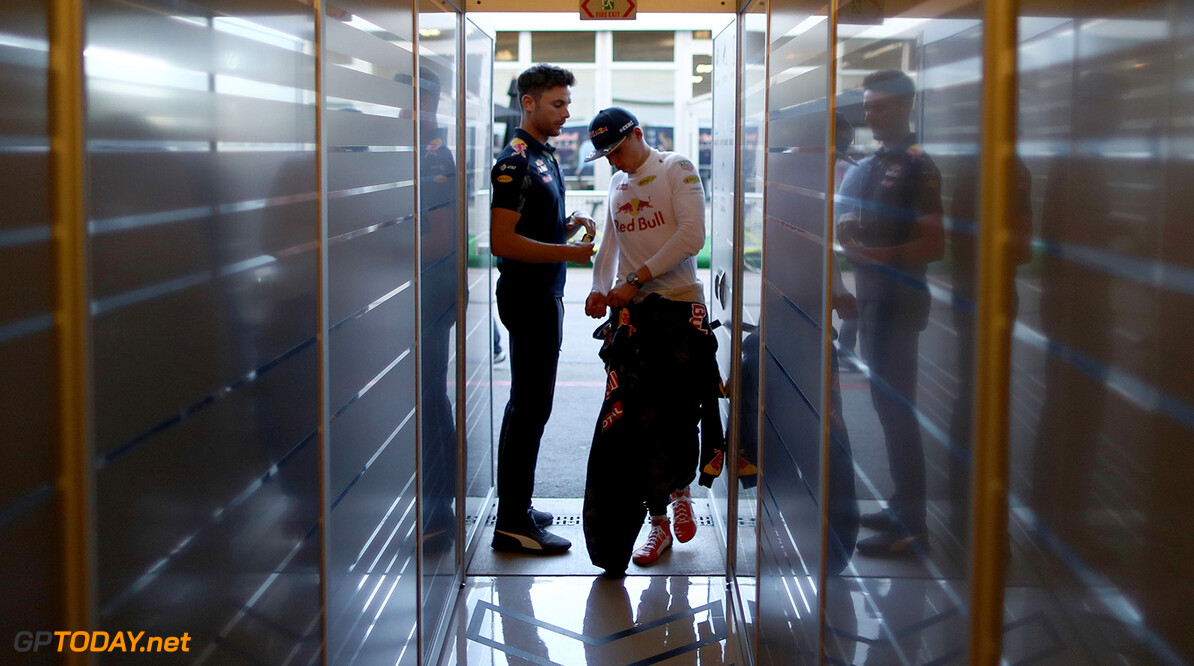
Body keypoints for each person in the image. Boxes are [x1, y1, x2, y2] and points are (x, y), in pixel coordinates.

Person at [581, 107, 720, 571]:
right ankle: (657, 523)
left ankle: (681, 492)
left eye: (617, 150)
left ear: (638, 135)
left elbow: (691, 236)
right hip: (634, 315)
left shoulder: (676, 168)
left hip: (680, 306)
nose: (613, 162)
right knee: (636, 421)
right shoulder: (618, 184)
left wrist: (637, 279)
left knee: (682, 412)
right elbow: (611, 245)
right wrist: (601, 289)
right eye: (605, 156)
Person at [489, 64, 595, 554]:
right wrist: (567, 253)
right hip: (528, 296)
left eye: (567, 103)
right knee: (529, 408)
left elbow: (533, 225)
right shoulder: (514, 162)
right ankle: (512, 523)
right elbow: (502, 241)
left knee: (533, 407)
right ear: (528, 103)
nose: (566, 113)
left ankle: (519, 505)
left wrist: (565, 227)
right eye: (557, 104)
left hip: (544, 294)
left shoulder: (543, 157)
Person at [838, 70, 944, 556]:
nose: (868, 113)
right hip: (876, 301)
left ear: (904, 106)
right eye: (867, 105)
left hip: (899, 304)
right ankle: (904, 507)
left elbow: (932, 242)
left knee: (898, 411)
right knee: (886, 408)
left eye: (877, 105)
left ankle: (913, 526)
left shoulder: (919, 167)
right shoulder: (880, 163)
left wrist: (870, 256)